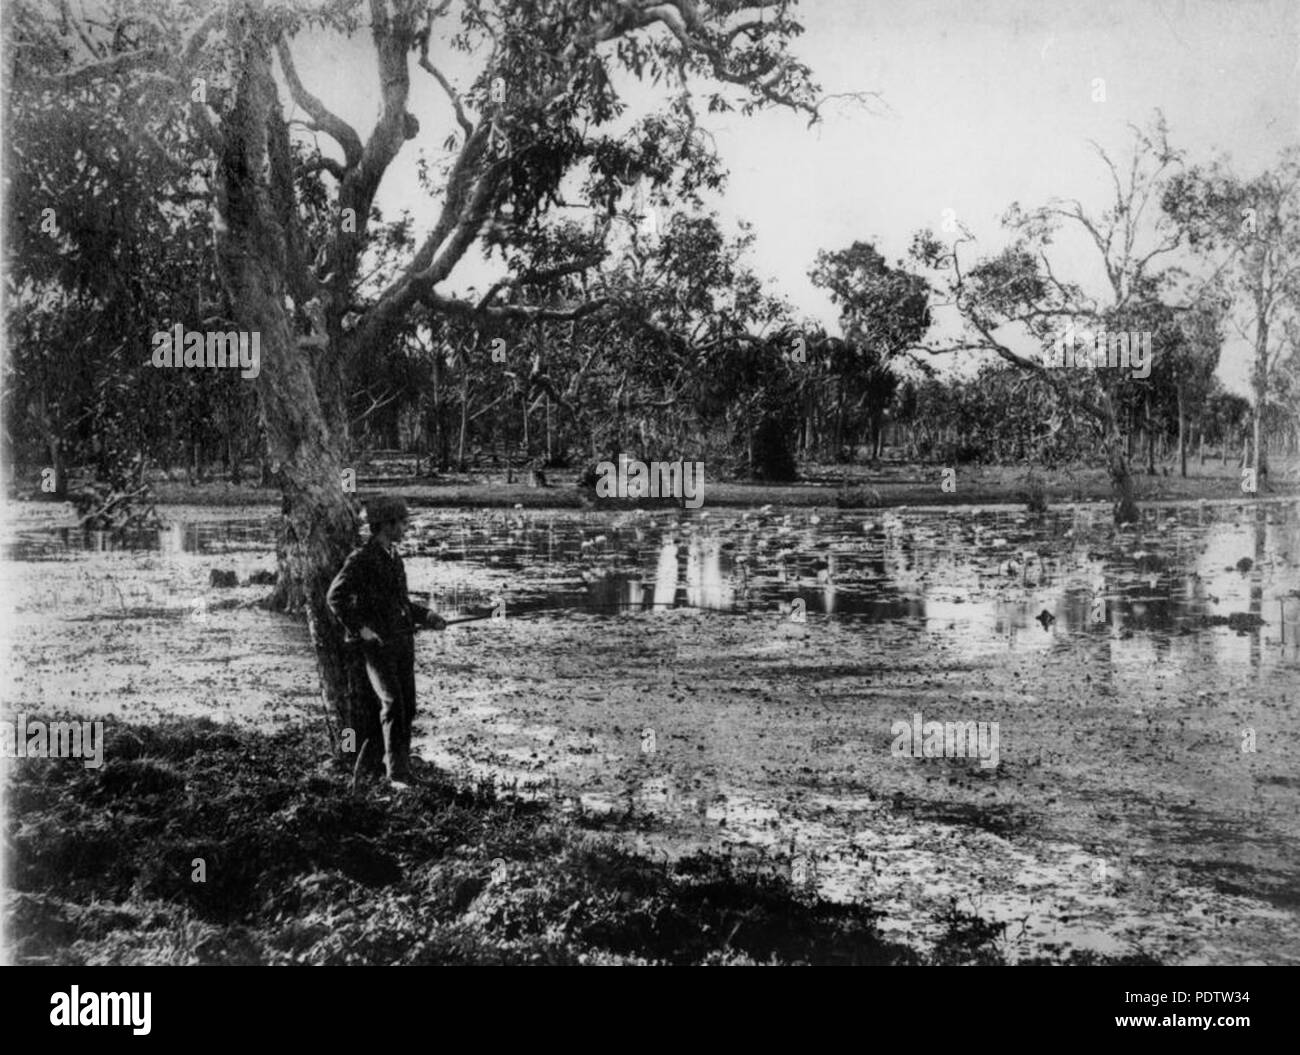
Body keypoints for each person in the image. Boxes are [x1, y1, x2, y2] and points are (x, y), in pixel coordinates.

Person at [327, 495, 446, 787]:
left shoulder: (395, 558)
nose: (405, 529)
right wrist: (361, 630)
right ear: (385, 525)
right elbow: (335, 597)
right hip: (377, 648)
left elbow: (401, 603)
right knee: (392, 704)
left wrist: (427, 615)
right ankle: (397, 775)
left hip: (402, 644)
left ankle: (396, 765)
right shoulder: (361, 559)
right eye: (402, 523)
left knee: (409, 706)